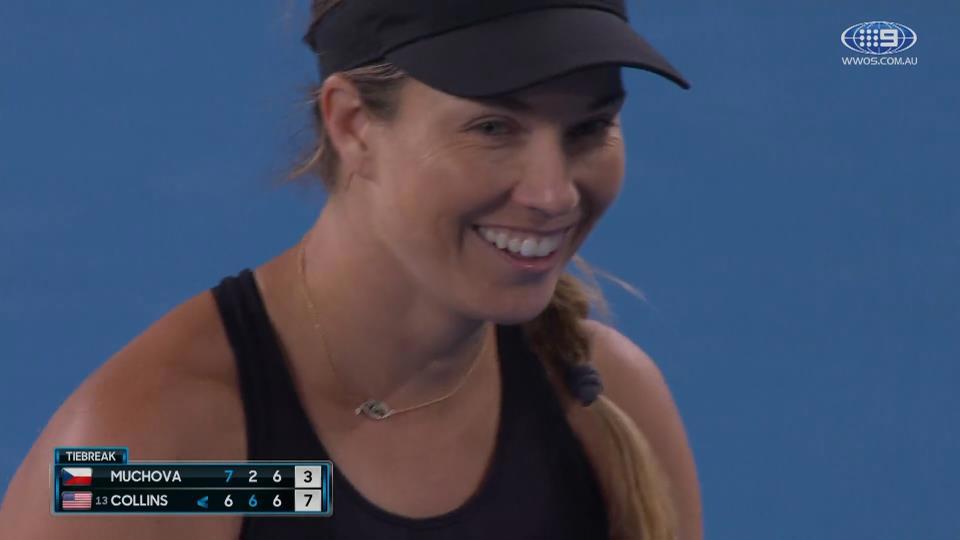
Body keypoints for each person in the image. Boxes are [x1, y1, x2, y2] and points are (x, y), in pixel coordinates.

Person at [0, 0, 703, 538]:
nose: (553, 195)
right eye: (493, 128)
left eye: (589, 128)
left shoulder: (611, 404)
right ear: (353, 123)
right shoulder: (155, 457)